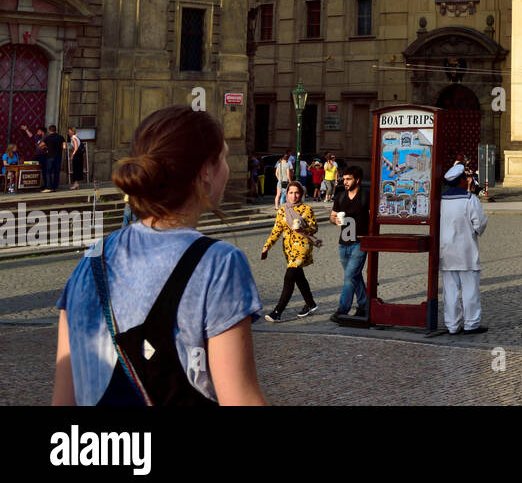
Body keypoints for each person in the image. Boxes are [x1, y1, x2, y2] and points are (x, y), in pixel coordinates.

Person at [52, 106, 264, 405]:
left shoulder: (90, 261)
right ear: (206, 171)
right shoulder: (219, 263)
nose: (228, 169)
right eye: (224, 158)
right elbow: (240, 398)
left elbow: (63, 400)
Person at [439, 160, 488, 334]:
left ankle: (452, 325)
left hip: (446, 251)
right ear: (461, 180)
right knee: (470, 289)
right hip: (466, 251)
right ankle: (471, 323)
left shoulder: (441, 201)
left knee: (450, 290)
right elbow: (480, 224)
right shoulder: (470, 200)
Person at [260, 181, 319, 321]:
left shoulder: (307, 209)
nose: (294, 196)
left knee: (289, 277)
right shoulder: (282, 209)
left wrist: (303, 228)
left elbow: (314, 228)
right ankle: (311, 304)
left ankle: (277, 312)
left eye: (297, 193)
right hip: (289, 248)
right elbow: (277, 230)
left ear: (301, 194)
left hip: (303, 246)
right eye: (291, 193)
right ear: (287, 194)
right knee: (298, 276)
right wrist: (267, 246)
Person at [330, 165, 369, 324]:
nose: (344, 182)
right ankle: (364, 305)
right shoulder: (340, 196)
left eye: (348, 179)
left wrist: (369, 236)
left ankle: (342, 310)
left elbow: (373, 218)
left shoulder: (366, 196)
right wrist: (335, 220)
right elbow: (332, 216)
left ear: (357, 180)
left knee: (349, 276)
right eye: (344, 179)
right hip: (343, 243)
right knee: (354, 276)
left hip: (359, 243)